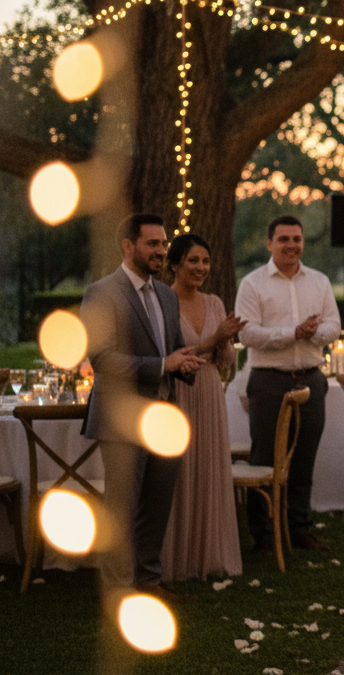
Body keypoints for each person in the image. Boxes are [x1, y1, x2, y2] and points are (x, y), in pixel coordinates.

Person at [80, 214, 203, 594]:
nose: (162, 251)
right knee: (121, 508)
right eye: (153, 244)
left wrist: (183, 364)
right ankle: (118, 586)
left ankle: (149, 579)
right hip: (121, 419)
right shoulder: (102, 293)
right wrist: (162, 364)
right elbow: (101, 359)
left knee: (155, 506)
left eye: (164, 244)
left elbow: (170, 350)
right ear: (128, 246)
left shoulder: (166, 294)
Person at [235, 215, 340, 553]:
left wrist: (314, 334)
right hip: (269, 382)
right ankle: (264, 534)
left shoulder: (319, 282)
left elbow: (334, 325)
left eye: (296, 239)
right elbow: (247, 333)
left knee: (304, 458)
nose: (291, 245)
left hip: (311, 380)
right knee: (265, 458)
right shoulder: (252, 284)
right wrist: (293, 333)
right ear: (269, 244)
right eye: (283, 239)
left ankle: (299, 528)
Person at [158, 233, 246, 581]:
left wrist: (225, 342)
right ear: (176, 264)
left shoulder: (213, 303)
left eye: (205, 261)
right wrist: (212, 340)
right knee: (178, 474)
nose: (201, 268)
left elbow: (225, 363)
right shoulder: (163, 302)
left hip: (209, 392)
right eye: (193, 261)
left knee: (207, 469)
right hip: (177, 394)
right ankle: (175, 561)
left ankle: (209, 556)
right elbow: (170, 356)